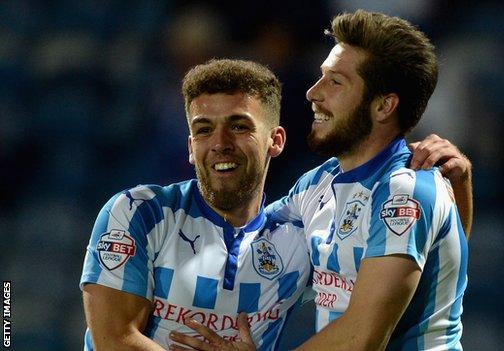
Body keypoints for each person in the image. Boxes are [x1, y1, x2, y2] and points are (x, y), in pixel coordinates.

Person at [171, 9, 471, 351]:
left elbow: (362, 338)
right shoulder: (317, 184)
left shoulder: (405, 191)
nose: (314, 93)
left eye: (336, 82)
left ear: (384, 106)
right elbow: (243, 238)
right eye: (321, 76)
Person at [80, 59, 312, 351]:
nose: (220, 143)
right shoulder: (139, 212)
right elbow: (114, 341)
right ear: (191, 148)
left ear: (275, 140)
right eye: (204, 130)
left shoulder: (298, 238)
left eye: (238, 126)